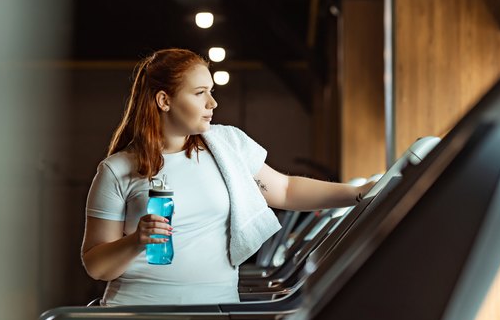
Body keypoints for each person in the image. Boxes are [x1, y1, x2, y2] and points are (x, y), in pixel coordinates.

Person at [81, 48, 376, 306]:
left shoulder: (227, 146)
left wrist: (361, 192)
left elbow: (285, 190)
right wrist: (135, 241)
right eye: (200, 93)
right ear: (164, 100)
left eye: (212, 92)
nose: (212, 103)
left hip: (216, 314)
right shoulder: (116, 170)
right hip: (137, 316)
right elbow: (96, 266)